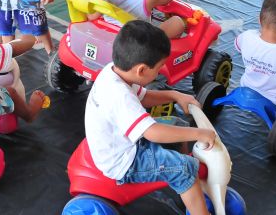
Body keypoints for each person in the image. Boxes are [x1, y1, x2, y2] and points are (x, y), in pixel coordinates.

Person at [85, 20, 214, 215]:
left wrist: (175, 95)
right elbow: (153, 133)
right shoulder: (118, 95)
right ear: (142, 70)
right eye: (160, 67)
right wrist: (201, 133)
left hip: (122, 140)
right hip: (124, 161)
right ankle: (188, 185)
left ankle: (186, 188)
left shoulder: (116, 71)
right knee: (184, 168)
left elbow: (144, 97)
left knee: (177, 126)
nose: (162, 70)